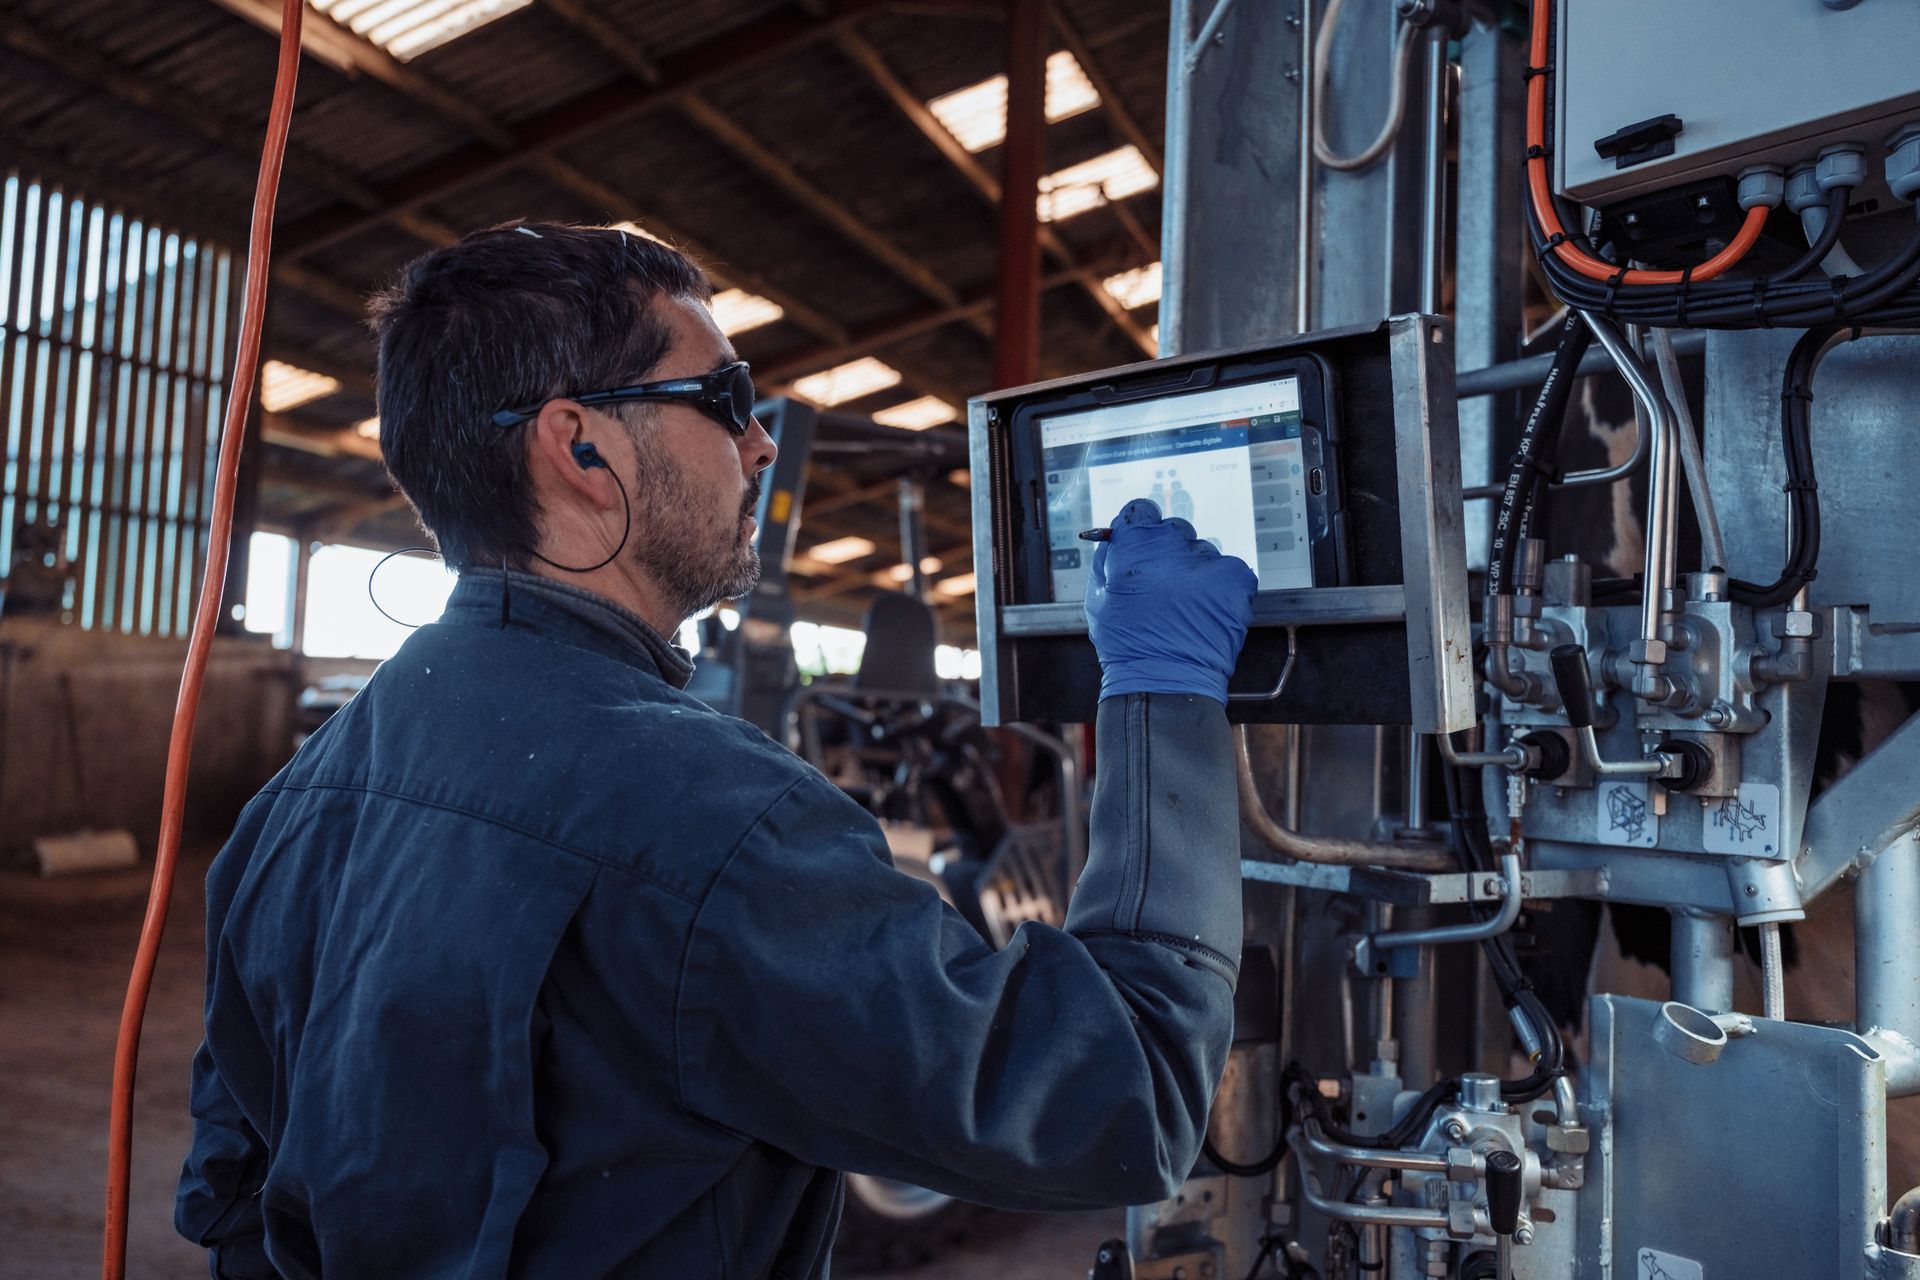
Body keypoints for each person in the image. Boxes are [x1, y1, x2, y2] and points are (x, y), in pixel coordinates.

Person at [175, 223, 1258, 1278]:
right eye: (724, 399)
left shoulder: (289, 810)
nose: (761, 441)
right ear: (580, 447)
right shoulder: (720, 822)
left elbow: (235, 1194)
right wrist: (1163, 697)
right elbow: (1129, 1088)